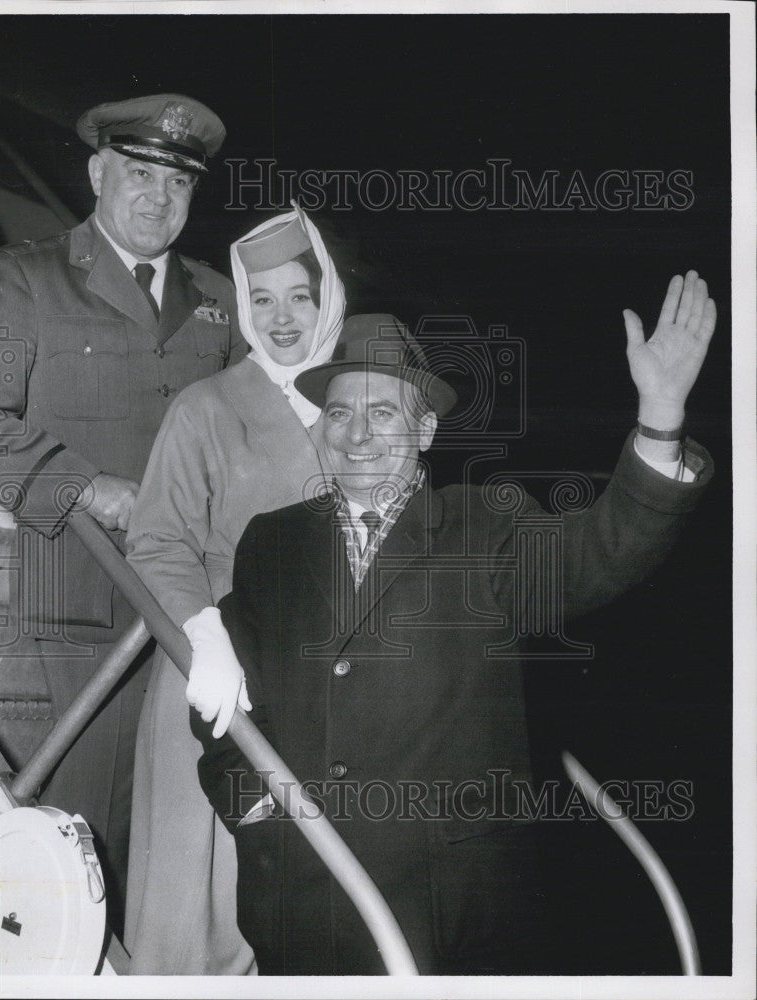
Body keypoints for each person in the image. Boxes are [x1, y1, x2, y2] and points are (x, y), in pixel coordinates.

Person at [196, 271, 716, 974]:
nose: (356, 435)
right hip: (299, 903)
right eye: (341, 414)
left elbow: (604, 549)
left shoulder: (485, 526)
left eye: (383, 414)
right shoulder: (272, 542)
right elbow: (224, 704)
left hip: (449, 917)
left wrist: (660, 416)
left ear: (426, 429)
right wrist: (255, 811)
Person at [0, 93, 244, 937]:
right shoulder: (25, 278)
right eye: (139, 175)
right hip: (62, 622)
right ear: (97, 173)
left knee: (160, 869)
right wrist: (92, 488)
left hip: (183, 627)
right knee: (58, 864)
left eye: (178, 184)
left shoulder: (218, 304)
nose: (158, 199)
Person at [124, 207, 346, 973]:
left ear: (329, 299)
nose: (280, 319)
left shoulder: (359, 406)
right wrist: (204, 637)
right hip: (216, 682)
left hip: (320, 690)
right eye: (262, 300)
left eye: (299, 297)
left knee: (302, 912)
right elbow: (155, 536)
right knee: (194, 915)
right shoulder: (206, 407)